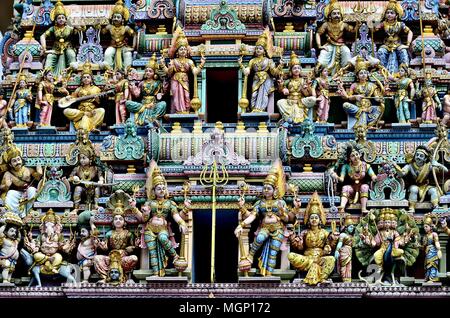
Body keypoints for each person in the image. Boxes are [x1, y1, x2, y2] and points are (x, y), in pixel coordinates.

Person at [234, 159, 300, 276]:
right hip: (264, 228)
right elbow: (252, 217)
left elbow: (286, 219)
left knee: (273, 252)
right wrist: (241, 221)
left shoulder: (280, 203)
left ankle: (268, 274)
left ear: (275, 190)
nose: (266, 190)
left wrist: (290, 210)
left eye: (268, 188)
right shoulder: (260, 203)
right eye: (264, 188)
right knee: (259, 239)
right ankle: (250, 256)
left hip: (278, 229)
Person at [132, 161, 190, 276]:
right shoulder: (149, 203)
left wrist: (182, 222)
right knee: (152, 251)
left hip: (163, 228)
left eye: (163, 188)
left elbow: (176, 216)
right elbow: (144, 219)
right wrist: (136, 209)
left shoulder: (170, 203)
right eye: (159, 188)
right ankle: (156, 272)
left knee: (163, 238)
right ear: (153, 190)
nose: (162, 190)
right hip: (149, 229)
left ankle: (175, 256)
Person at [288, 192, 335, 285]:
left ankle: (322, 277)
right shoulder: (305, 232)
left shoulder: (325, 233)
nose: (314, 220)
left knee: (331, 259)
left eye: (316, 218)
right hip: (307, 259)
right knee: (291, 256)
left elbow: (330, 246)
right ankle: (314, 267)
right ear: (308, 220)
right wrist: (294, 239)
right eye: (312, 218)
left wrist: (331, 243)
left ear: (320, 220)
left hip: (320, 258)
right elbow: (300, 248)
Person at [160, 27, 205, 114]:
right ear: (177, 51)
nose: (183, 51)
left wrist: (201, 64)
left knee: (186, 96)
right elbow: (168, 73)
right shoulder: (173, 61)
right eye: (181, 49)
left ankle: (186, 111)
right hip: (175, 80)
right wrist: (162, 64)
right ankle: (177, 112)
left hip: (185, 80)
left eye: (184, 49)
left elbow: (195, 72)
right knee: (176, 97)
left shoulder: (190, 61)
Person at [93, 196, 138, 283]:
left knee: (134, 258)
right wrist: (101, 246)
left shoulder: (128, 233)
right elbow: (106, 248)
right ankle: (104, 277)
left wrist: (134, 247)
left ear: (124, 222)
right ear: (113, 222)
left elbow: (132, 248)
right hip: (110, 257)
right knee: (96, 258)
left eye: (120, 219)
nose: (118, 221)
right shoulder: (109, 233)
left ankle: (126, 276)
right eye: (116, 219)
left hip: (123, 258)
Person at [391, 145, 448, 212]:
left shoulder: (428, 166)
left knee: (433, 190)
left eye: (421, 156)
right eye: (417, 155)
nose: (418, 157)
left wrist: (437, 164)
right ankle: (411, 207)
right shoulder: (409, 166)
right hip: (415, 185)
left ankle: (436, 206)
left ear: (425, 159)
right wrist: (397, 168)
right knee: (414, 189)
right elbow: (402, 174)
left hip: (426, 186)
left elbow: (445, 170)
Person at [239, 28, 283, 113]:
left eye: (260, 48)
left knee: (263, 95)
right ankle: (254, 108)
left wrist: (280, 65)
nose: (258, 50)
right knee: (254, 95)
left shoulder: (268, 61)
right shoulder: (252, 61)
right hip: (256, 79)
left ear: (264, 51)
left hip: (265, 80)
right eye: (257, 48)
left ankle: (261, 109)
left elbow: (274, 72)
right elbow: (248, 70)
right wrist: (242, 66)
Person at [331, 144, 377, 213]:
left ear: (360, 155)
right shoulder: (346, 166)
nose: (355, 157)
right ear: (349, 158)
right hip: (352, 188)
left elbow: (373, 176)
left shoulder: (365, 165)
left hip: (362, 187)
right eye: (352, 156)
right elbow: (341, 179)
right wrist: (335, 176)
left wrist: (377, 177)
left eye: (356, 154)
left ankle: (363, 208)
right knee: (345, 188)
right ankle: (342, 207)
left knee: (364, 187)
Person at [0, 144, 43, 217]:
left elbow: (38, 177)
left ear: (21, 160)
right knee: (10, 193)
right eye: (14, 161)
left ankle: (28, 212)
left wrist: (39, 169)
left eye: (18, 159)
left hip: (28, 192)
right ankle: (13, 214)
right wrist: (6, 186)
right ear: (10, 164)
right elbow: (1, 187)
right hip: (17, 192)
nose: (17, 162)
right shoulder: (8, 174)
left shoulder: (28, 170)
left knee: (32, 190)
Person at [315, 0, 355, 76]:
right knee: (324, 52)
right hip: (330, 44)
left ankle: (345, 71)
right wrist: (319, 45)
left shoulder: (343, 24)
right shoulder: (326, 24)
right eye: (334, 13)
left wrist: (358, 25)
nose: (336, 15)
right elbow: (318, 33)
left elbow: (353, 30)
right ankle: (318, 67)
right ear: (330, 15)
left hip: (341, 45)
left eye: (338, 13)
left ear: (341, 15)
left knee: (346, 51)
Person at [63, 62, 105, 132]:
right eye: (84, 77)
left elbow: (100, 103)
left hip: (92, 112)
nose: (86, 79)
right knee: (66, 111)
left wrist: (97, 100)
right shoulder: (78, 89)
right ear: (82, 80)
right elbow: (72, 98)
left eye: (88, 77)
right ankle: (84, 115)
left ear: (91, 79)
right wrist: (68, 96)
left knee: (101, 111)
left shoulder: (96, 89)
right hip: (81, 112)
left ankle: (93, 127)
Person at [373, 0, 413, 74]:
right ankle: (383, 70)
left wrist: (407, 44)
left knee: (403, 52)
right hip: (386, 44)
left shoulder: (400, 24)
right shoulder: (383, 24)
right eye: (387, 13)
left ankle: (405, 71)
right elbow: (375, 29)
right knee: (381, 52)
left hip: (397, 44)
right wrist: (373, 22)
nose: (389, 15)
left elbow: (410, 32)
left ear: (396, 15)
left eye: (392, 13)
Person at [126, 54, 167, 125]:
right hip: (143, 105)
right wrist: (133, 86)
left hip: (153, 104)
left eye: (150, 71)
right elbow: (137, 95)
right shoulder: (142, 83)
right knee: (128, 103)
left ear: (154, 73)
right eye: (146, 71)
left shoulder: (158, 82)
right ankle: (148, 117)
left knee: (163, 104)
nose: (148, 72)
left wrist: (165, 81)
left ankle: (153, 118)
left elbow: (162, 93)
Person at [40, 0, 77, 76]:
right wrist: (44, 48)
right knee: (50, 56)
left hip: (68, 47)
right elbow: (42, 36)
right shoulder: (53, 28)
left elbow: (77, 32)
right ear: (56, 20)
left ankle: (72, 73)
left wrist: (78, 28)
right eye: (59, 18)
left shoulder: (70, 28)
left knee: (71, 54)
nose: (61, 19)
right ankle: (47, 74)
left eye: (63, 17)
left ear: (66, 19)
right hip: (56, 49)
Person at [277, 52, 316, 124]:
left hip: (300, 101)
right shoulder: (288, 81)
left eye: (298, 68)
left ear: (300, 70)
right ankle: (287, 117)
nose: (296, 70)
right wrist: (282, 87)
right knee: (279, 102)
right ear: (291, 70)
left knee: (313, 99)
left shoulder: (303, 81)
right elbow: (281, 91)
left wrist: (306, 88)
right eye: (294, 68)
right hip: (290, 102)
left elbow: (308, 94)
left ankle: (292, 118)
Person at [102, 0, 135, 72]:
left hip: (123, 46)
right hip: (113, 45)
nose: (116, 19)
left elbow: (134, 35)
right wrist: (98, 27)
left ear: (122, 19)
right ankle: (109, 71)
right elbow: (102, 32)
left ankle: (127, 71)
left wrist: (133, 47)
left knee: (128, 54)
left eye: (118, 17)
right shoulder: (109, 27)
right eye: (114, 17)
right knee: (108, 53)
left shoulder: (126, 28)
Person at [0, 212, 23, 284]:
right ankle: (5, 280)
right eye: (12, 231)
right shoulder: (4, 240)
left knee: (11, 270)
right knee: (6, 268)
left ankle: (8, 280)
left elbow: (19, 237)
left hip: (13, 259)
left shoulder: (15, 241)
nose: (14, 233)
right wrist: (4, 224)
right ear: (6, 232)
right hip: (5, 258)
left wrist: (19, 229)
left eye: (15, 232)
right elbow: (0, 233)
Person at [334, 215, 355, 282]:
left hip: (349, 251)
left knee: (349, 265)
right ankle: (343, 277)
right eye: (351, 227)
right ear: (346, 227)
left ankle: (348, 278)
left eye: (353, 227)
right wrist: (337, 251)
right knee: (343, 265)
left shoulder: (351, 236)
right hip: (344, 251)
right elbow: (340, 243)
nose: (352, 229)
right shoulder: (342, 235)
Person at [422, 214, 441, 283]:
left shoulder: (434, 234)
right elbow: (423, 245)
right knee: (427, 265)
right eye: (424, 227)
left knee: (432, 264)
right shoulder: (425, 236)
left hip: (433, 251)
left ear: (431, 227)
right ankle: (428, 277)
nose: (425, 228)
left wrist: (438, 249)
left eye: (426, 227)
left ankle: (432, 277)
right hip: (427, 252)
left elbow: (436, 242)